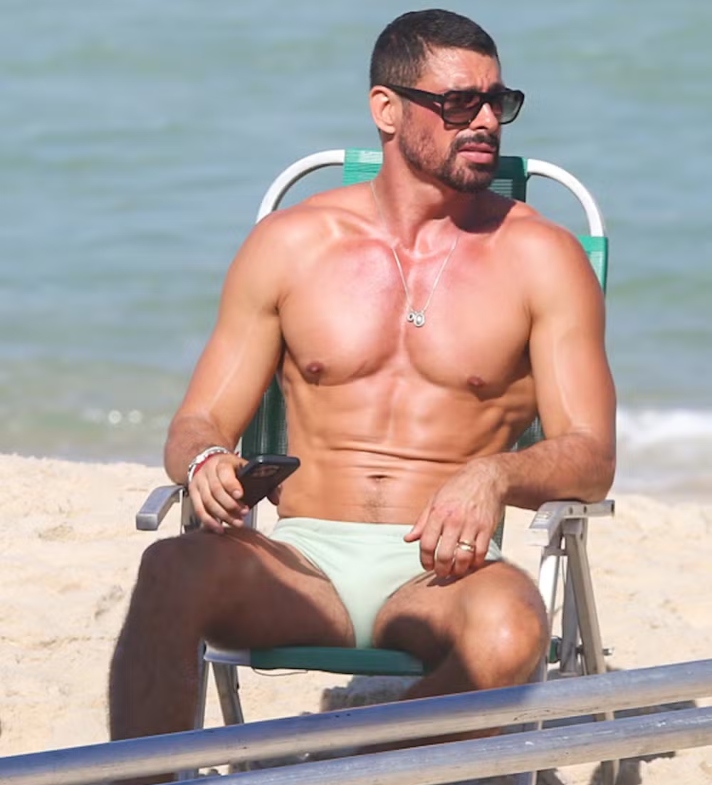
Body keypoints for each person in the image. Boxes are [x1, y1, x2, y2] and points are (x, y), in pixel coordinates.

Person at [109, 8, 616, 782]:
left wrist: (495, 474)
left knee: (512, 626)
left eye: (498, 101)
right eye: (459, 103)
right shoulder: (292, 244)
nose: (485, 120)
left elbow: (592, 456)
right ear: (387, 109)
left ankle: (341, 772)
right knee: (167, 571)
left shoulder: (543, 257)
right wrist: (207, 459)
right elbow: (197, 421)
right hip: (300, 561)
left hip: (446, 573)